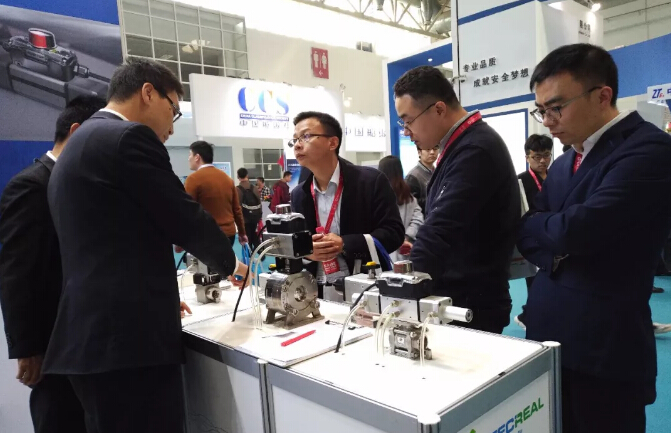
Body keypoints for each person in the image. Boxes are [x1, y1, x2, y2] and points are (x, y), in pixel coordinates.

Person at [43, 58, 248, 433]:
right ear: (148, 93)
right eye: (174, 110)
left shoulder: (78, 144)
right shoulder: (127, 138)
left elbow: (112, 240)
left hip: (92, 339)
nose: (172, 125)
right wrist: (233, 265)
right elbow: (182, 214)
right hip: (127, 346)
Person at [517, 43, 671, 433]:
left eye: (556, 107)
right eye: (541, 110)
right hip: (547, 337)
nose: (547, 122)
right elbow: (529, 231)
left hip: (604, 349)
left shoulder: (649, 149)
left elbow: (577, 231)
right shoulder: (565, 161)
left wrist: (550, 232)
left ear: (602, 96)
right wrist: (552, 237)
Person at [0, 96, 105, 433]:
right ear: (76, 133)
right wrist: (28, 348)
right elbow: (17, 272)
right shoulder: (32, 185)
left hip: (87, 341)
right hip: (52, 343)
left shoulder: (83, 185)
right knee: (59, 419)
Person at [394, 66, 520, 334]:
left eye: (408, 121)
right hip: (460, 295)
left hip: (471, 303)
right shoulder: (461, 146)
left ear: (439, 109)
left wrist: (401, 287)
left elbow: (441, 228)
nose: (406, 131)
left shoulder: (475, 149)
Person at [289, 111, 404, 298]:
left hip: (366, 287)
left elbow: (394, 234)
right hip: (316, 292)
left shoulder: (370, 181)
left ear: (332, 143)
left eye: (306, 136)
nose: (297, 145)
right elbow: (293, 244)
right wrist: (307, 252)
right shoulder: (299, 195)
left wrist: (345, 243)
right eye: (294, 140)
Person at [514, 134, 553, 330]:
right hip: (532, 238)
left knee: (551, 281)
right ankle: (529, 317)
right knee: (535, 282)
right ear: (527, 157)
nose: (543, 161)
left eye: (546, 155)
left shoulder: (557, 175)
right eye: (537, 156)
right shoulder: (520, 180)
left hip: (553, 233)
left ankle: (532, 315)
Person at [185, 140, 247, 246]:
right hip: (229, 234)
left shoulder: (193, 179)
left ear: (197, 157)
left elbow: (187, 210)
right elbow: (237, 210)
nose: (188, 158)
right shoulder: (228, 179)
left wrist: (182, 237)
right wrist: (242, 232)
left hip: (206, 235)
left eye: (190, 154)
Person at [378, 155, 424, 263]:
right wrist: (406, 237)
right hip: (405, 253)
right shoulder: (409, 197)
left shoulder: (377, 196)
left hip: (383, 253)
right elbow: (418, 220)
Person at [405, 144, 438, 215]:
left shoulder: (438, 172)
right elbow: (412, 205)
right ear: (419, 152)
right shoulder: (413, 176)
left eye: (435, 148)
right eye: (428, 149)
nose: (432, 152)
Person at [238, 168, 262, 253]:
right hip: (255, 216)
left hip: (244, 218)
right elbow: (259, 201)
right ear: (247, 176)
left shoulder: (237, 189)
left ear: (238, 177)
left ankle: (248, 255)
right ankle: (258, 249)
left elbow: (237, 206)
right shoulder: (254, 188)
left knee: (246, 237)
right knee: (253, 233)